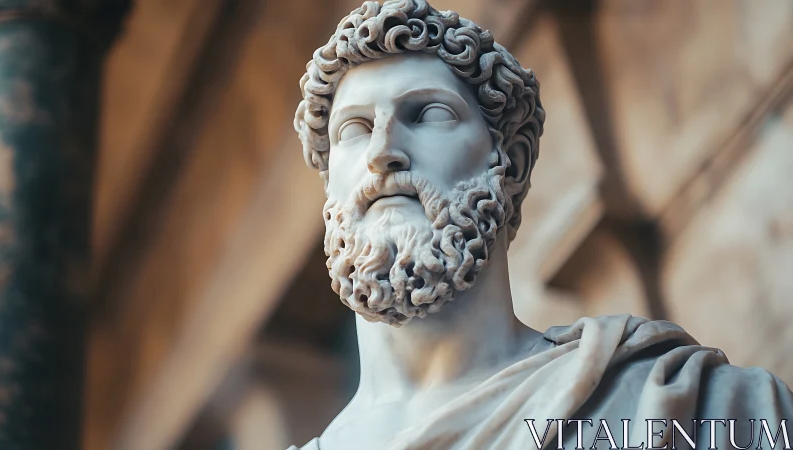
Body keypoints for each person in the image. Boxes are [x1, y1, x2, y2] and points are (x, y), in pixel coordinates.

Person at [289, 1, 793, 448]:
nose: (383, 152)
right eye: (354, 129)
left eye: (429, 114)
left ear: (510, 161)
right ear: (330, 187)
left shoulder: (696, 405)